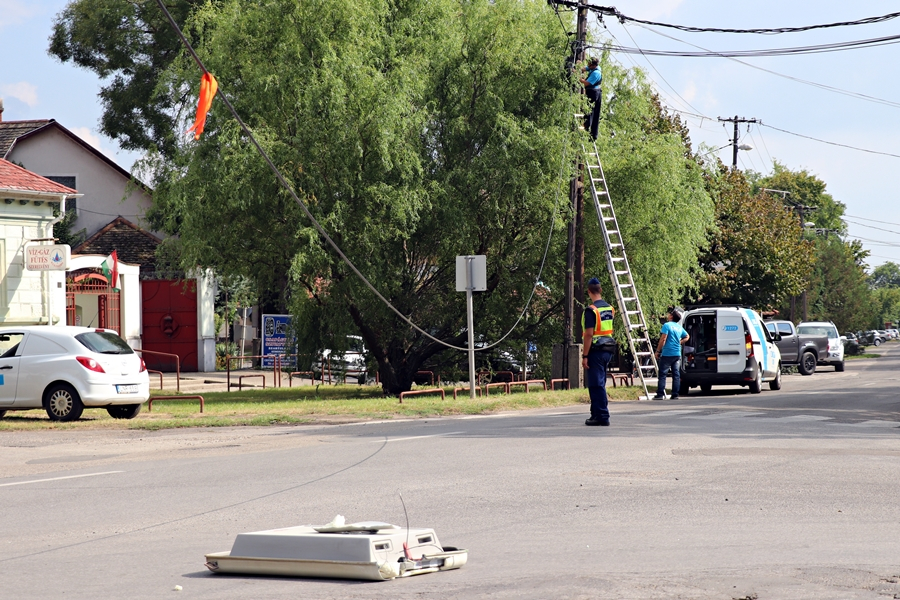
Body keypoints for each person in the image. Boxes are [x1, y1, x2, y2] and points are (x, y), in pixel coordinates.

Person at [581, 277, 616, 426]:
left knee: (596, 384)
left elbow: (589, 334)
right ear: (600, 290)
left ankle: (602, 415)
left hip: (596, 350)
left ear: (589, 291)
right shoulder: (610, 309)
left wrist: (585, 355)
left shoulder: (591, 311)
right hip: (608, 348)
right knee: (599, 382)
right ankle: (595, 413)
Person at [653, 308, 689, 400]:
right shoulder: (679, 327)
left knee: (663, 374)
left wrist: (657, 351)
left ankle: (660, 394)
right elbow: (687, 336)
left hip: (667, 353)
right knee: (676, 375)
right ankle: (675, 394)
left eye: (670, 314)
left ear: (671, 316)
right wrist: (680, 342)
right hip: (677, 353)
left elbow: (663, 339)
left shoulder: (667, 325)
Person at [579, 57, 602, 140]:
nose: (588, 66)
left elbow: (586, 83)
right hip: (593, 91)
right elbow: (586, 68)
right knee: (589, 110)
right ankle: (586, 126)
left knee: (590, 111)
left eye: (589, 65)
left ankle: (586, 127)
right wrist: (579, 67)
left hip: (594, 93)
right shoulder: (594, 67)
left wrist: (578, 77)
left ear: (593, 65)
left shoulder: (596, 73)